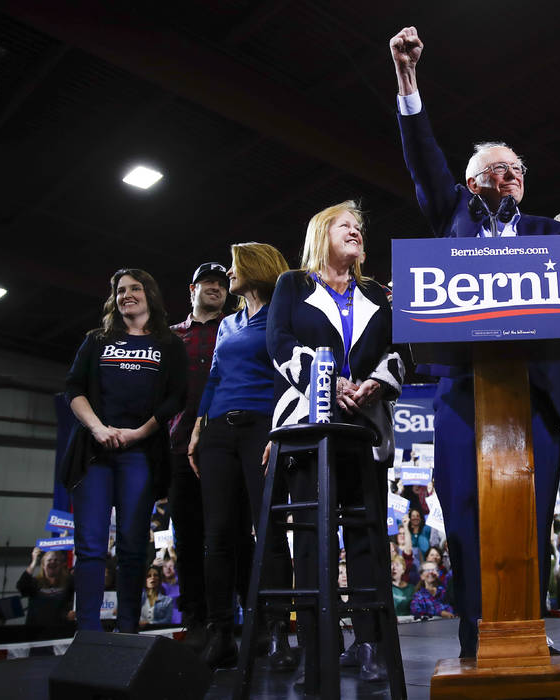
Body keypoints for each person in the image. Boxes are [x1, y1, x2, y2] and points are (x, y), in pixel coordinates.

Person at [390, 25, 560, 658]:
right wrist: (408, 82)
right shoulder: (452, 216)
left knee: (531, 524)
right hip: (463, 396)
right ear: (471, 184)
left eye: (517, 168)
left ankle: (529, 634)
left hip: (536, 398)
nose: (510, 175)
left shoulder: (552, 233)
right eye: (497, 168)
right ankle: (475, 639)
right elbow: (423, 158)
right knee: (466, 520)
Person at [268, 200, 404, 684]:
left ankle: (370, 645)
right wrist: (326, 381)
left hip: (363, 428)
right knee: (310, 535)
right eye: (346, 225)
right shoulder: (292, 284)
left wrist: (379, 382)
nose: (356, 231)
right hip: (309, 424)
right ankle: (318, 646)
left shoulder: (379, 292)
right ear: (321, 232)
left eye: (360, 227)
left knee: (365, 534)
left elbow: (399, 351)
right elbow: (279, 342)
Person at [187, 242, 296, 671]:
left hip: (262, 429)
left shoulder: (282, 317)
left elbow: (287, 375)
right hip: (217, 433)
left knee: (267, 531)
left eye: (234, 267)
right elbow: (214, 377)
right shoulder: (229, 324)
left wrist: (279, 428)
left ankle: (275, 633)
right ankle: (220, 633)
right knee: (216, 537)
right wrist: (198, 426)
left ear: (255, 268)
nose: (229, 274)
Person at [63, 268, 187, 634]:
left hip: (140, 454)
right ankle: (86, 632)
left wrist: (137, 434)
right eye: (120, 290)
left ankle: (128, 629)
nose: (126, 295)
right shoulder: (96, 340)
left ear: (150, 294)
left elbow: (175, 399)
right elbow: (74, 388)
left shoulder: (169, 344)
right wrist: (98, 429)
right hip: (94, 454)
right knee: (90, 546)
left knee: (133, 547)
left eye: (135, 288)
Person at [168, 261, 246, 643]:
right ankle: (197, 622)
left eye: (220, 282)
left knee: (231, 535)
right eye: (207, 282)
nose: (215, 287)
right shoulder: (170, 338)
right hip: (179, 448)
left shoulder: (237, 330)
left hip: (226, 447)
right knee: (187, 539)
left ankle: (238, 620)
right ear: (192, 289)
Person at [17, 547, 75, 634]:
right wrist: (33, 562)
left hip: (61, 634)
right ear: (43, 565)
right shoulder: (34, 583)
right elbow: (21, 586)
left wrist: (75, 556)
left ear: (61, 565)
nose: (53, 562)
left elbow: (80, 589)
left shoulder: (68, 583)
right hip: (36, 636)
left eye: (56, 560)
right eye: (49, 560)